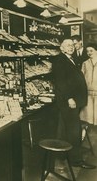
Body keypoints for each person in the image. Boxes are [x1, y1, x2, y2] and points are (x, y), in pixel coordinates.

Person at [52, 38, 95, 169]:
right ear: (62, 48)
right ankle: (76, 160)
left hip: (75, 101)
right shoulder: (59, 60)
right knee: (74, 131)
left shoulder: (72, 59)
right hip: (69, 102)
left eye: (72, 45)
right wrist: (69, 98)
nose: (71, 47)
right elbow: (61, 82)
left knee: (66, 130)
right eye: (67, 45)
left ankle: (63, 155)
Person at [80, 43, 97, 125]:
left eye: (91, 50)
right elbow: (81, 78)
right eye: (87, 51)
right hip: (88, 94)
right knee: (88, 118)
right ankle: (86, 135)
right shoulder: (85, 63)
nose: (89, 53)